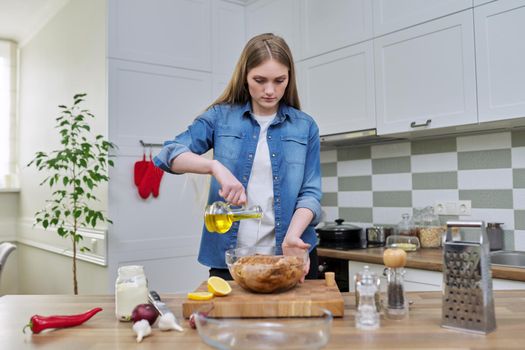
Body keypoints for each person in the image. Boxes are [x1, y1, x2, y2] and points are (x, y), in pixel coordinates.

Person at [154, 33, 321, 281]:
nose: (269, 90)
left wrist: (293, 237)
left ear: (289, 78)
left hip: (288, 256)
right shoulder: (219, 118)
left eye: (279, 81)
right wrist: (214, 166)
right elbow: (169, 154)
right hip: (230, 261)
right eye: (259, 80)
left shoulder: (305, 127)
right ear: (245, 76)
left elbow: (311, 193)